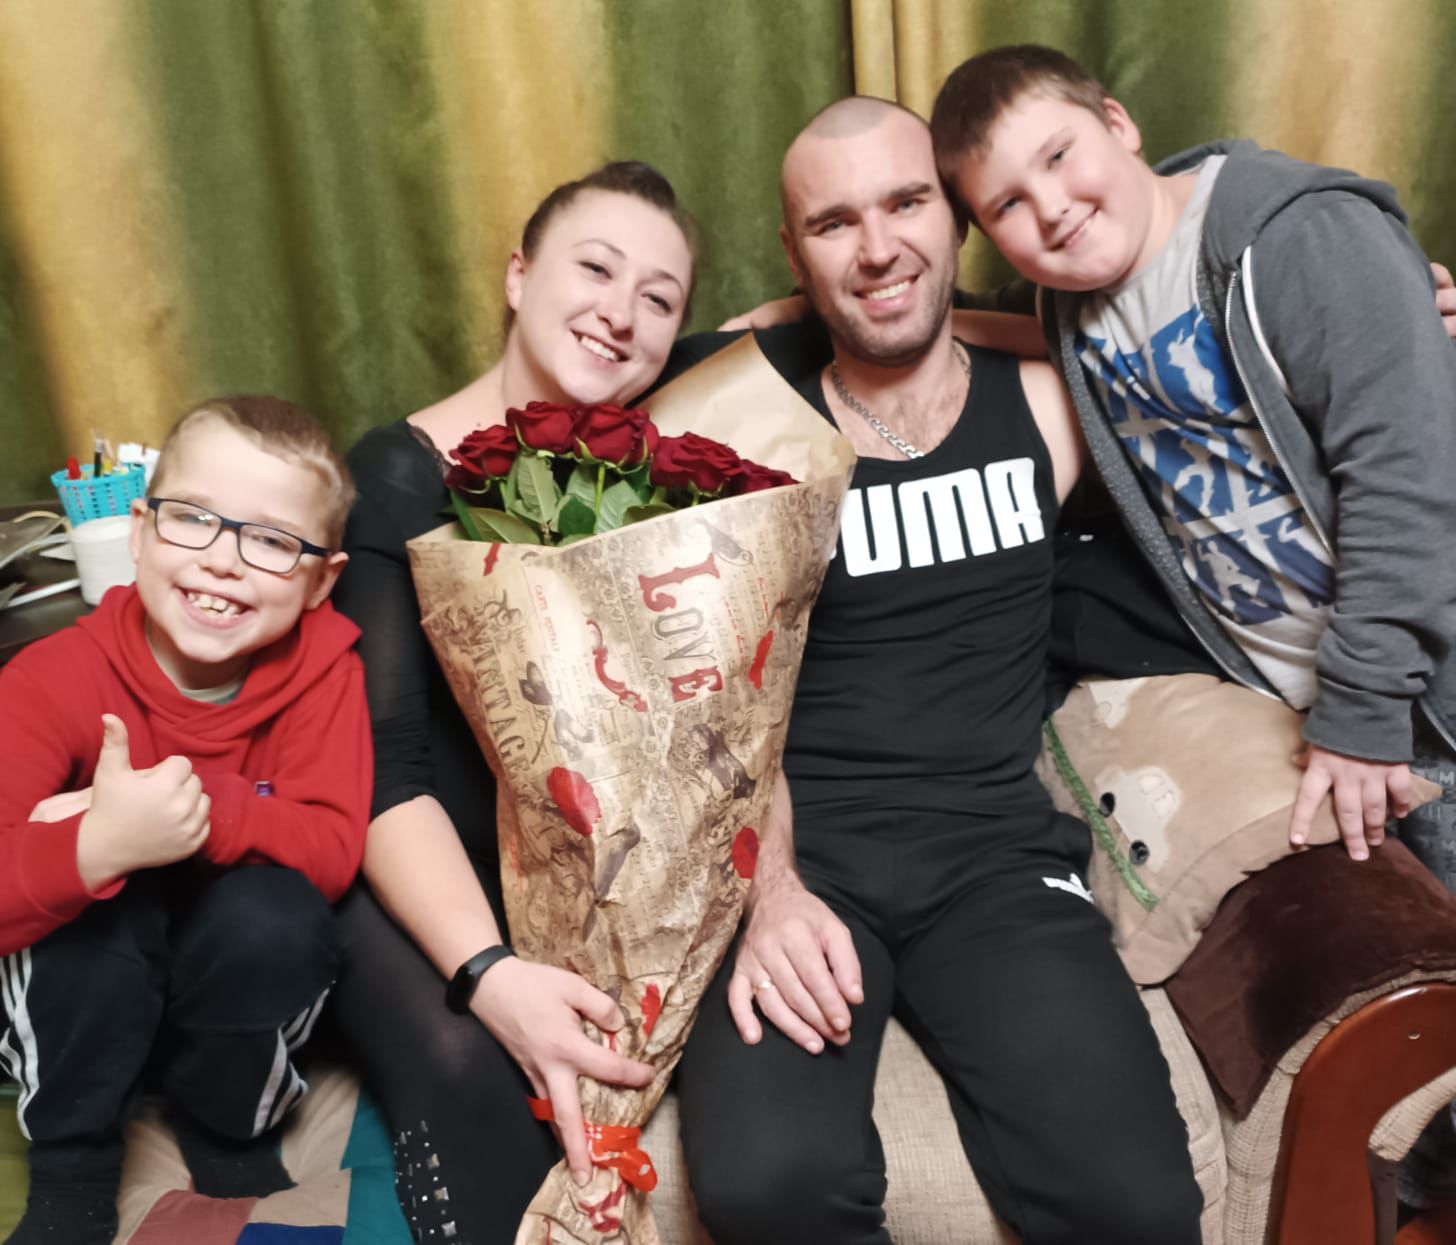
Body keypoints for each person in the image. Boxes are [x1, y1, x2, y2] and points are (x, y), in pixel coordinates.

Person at [929, 39, 1456, 1209]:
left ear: (1117, 125)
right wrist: (793, 321)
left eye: (1059, 156)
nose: (1049, 208)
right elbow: (998, 338)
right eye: (1005, 205)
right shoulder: (1072, 311)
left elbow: (1408, 478)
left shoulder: (1291, 237)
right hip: (1320, 702)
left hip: (1416, 692)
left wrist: (1362, 712)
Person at [669, 96, 1203, 1245]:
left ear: (954, 217)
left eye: (906, 203)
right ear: (794, 253)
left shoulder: (1051, 402)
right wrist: (770, 893)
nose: (876, 248)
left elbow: (1224, 379)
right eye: (834, 224)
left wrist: (1406, 307)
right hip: (802, 860)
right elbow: (704, 699)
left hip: (994, 863)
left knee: (1137, 1201)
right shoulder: (739, 435)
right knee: (768, 1185)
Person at [330, 161, 697, 1245]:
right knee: (468, 1068)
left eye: (659, 299)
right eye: (595, 270)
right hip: (406, 864)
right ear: (518, 276)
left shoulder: (660, 480)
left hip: (574, 877)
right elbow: (384, 767)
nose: (620, 313)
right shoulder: (396, 475)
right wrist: (489, 975)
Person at [0, 395, 368, 1245]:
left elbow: (331, 848)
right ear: (138, 532)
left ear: (322, 580)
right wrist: (95, 846)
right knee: (97, 921)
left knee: (277, 913)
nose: (223, 560)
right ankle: (73, 1168)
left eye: (272, 541)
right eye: (193, 518)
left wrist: (194, 806)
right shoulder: (49, 678)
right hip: (78, 1012)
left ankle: (227, 1127)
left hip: (226, 1009)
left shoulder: (326, 674)